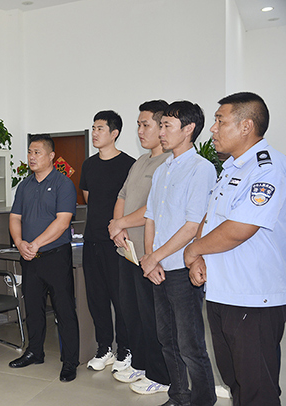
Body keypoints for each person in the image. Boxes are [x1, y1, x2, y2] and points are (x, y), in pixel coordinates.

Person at [184, 92, 286, 406]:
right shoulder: (231, 167)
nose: (213, 129)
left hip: (253, 297)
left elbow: (241, 228)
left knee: (257, 389)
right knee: (236, 382)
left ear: (246, 126)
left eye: (220, 121)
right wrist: (199, 255)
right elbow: (211, 217)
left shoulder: (267, 168)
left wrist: (193, 250)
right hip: (223, 292)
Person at [141, 101, 217, 406]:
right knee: (167, 340)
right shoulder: (162, 169)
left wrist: (154, 257)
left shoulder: (201, 169)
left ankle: (203, 400)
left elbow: (192, 225)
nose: (161, 132)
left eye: (166, 126)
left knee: (190, 345)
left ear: (188, 129)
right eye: (160, 125)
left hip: (182, 270)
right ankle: (179, 396)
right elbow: (150, 217)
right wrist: (150, 258)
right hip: (158, 268)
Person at [108, 101, 172, 395]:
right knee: (130, 312)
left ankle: (161, 375)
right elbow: (122, 196)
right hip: (127, 252)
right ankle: (141, 365)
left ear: (162, 127)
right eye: (138, 125)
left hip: (150, 254)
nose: (140, 130)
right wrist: (117, 226)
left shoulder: (168, 163)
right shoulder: (140, 162)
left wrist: (119, 223)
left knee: (152, 317)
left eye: (146, 124)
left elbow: (153, 209)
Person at [8, 134, 80, 383]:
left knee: (64, 309)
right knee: (33, 307)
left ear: (51, 156)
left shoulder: (63, 184)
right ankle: (35, 352)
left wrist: (35, 243)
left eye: (37, 152)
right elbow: (15, 218)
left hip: (55, 256)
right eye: (30, 152)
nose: (32, 157)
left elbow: (63, 222)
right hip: (29, 257)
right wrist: (20, 243)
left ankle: (70, 361)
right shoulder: (24, 186)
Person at [79, 110, 135, 372]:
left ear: (114, 133)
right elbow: (89, 197)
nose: (95, 133)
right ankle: (105, 348)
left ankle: (125, 350)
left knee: (120, 299)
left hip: (117, 243)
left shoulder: (129, 165)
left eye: (100, 128)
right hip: (92, 240)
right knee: (97, 298)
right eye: (93, 128)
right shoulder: (89, 165)